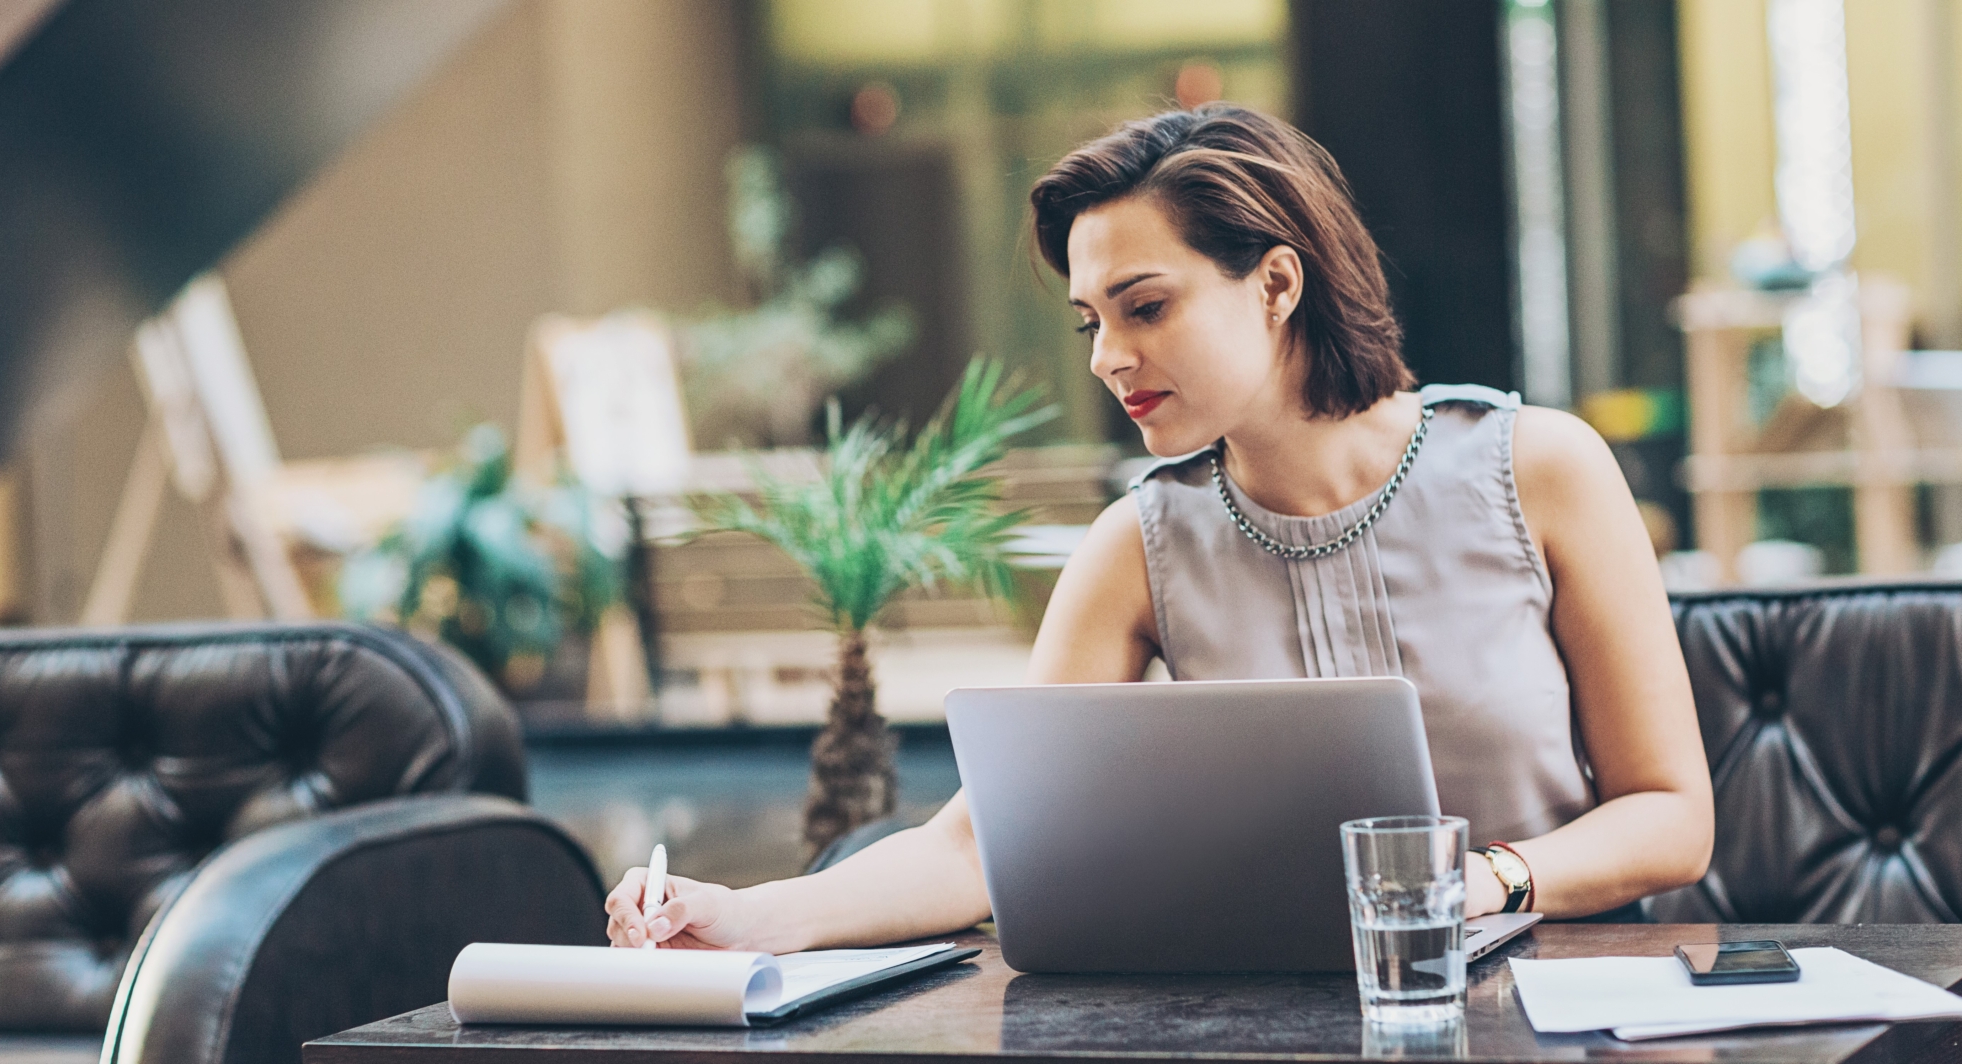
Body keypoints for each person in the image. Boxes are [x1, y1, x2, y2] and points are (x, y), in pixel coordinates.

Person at [605, 104, 1713, 953]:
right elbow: (981, 841)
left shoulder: (1540, 466)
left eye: (1145, 306)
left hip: (1565, 998)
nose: (1105, 357)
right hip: (1286, 1027)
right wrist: (745, 918)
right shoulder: (1137, 543)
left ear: (1276, 281)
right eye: (1091, 320)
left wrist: (1485, 881)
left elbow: (1669, 815)